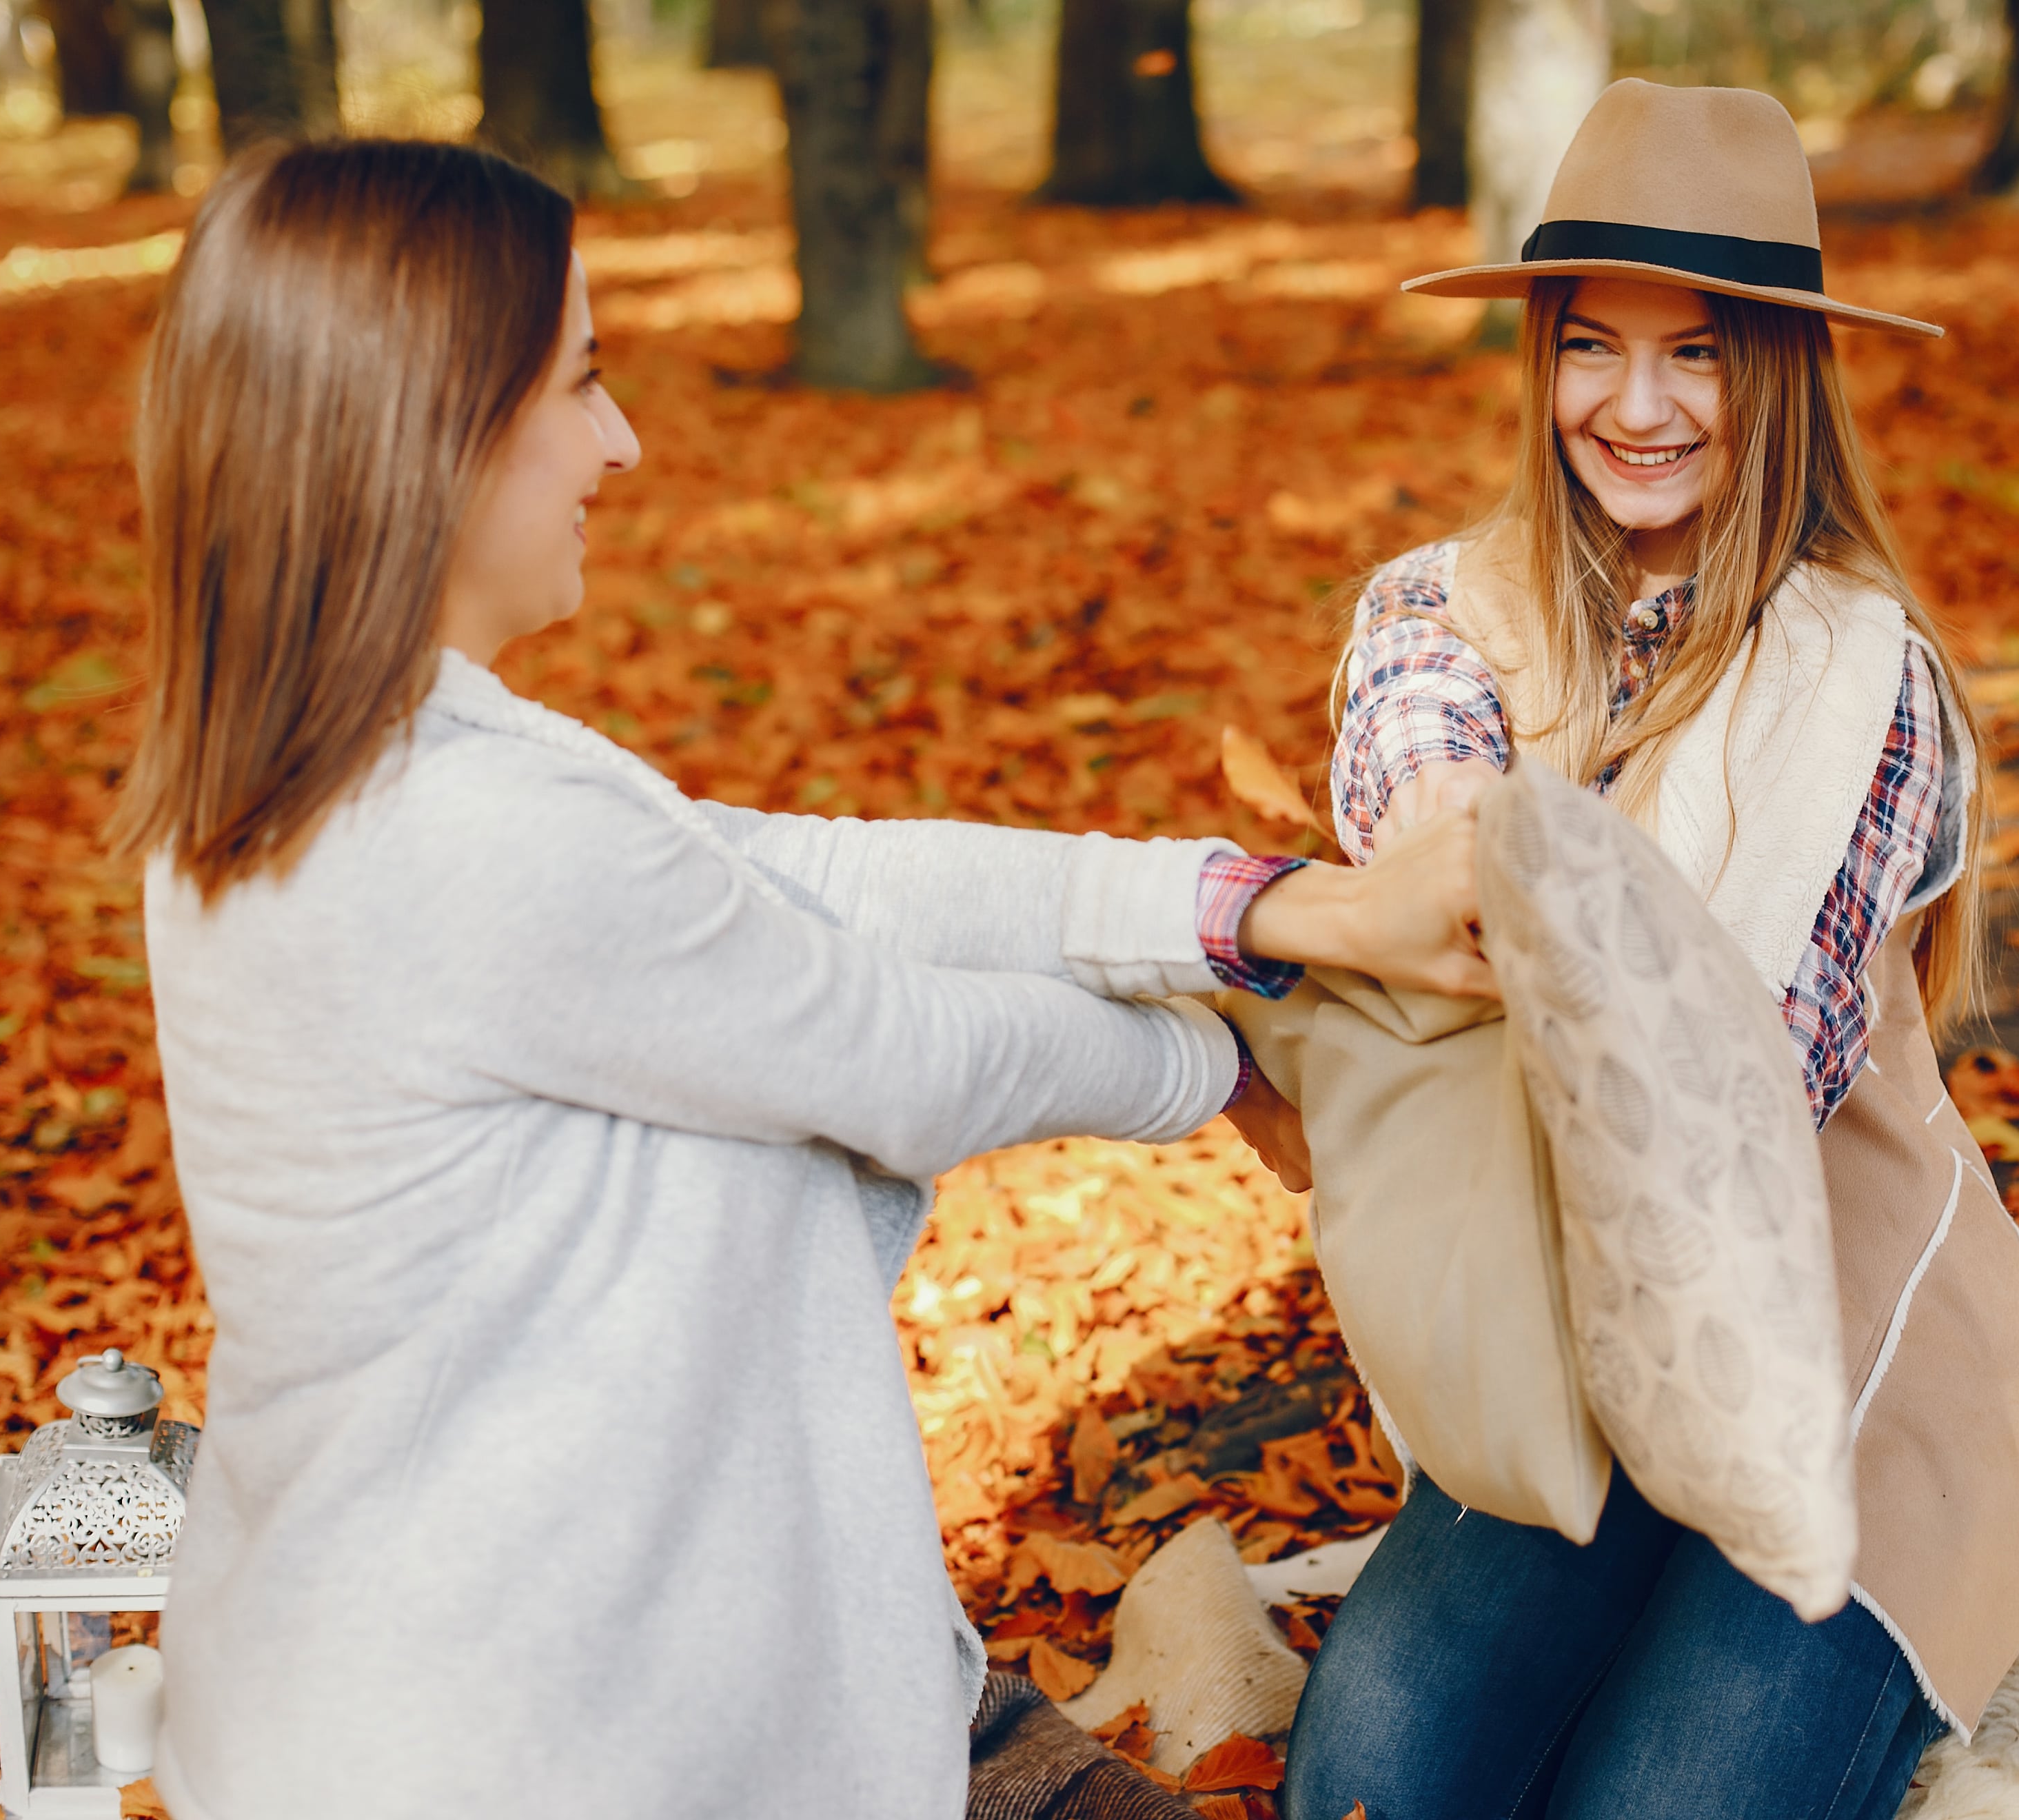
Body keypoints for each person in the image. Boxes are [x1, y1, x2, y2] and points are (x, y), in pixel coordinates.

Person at [113, 139, 1481, 1820]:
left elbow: (821, 876)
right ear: (431, 434)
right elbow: (896, 1051)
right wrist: (1216, 1065)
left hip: (656, 1668)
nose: (621, 442)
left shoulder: (334, 775)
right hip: (533, 1740)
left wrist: (1269, 916)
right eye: (585, 382)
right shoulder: (462, 833)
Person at [1274, 82, 2019, 1820]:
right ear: (1540, 357)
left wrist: (1471, 940)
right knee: (1377, 1786)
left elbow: (1743, 1088)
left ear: (1776, 370)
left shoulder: (1868, 678)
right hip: (1561, 1359)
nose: (1634, 410)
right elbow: (1429, 844)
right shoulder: (1434, 610)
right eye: (1590, 348)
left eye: (1696, 354)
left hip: (1832, 1362)